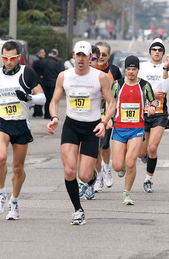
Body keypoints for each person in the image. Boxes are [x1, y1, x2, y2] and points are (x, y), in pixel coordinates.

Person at [46, 41, 116, 225]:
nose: (81, 59)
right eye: (78, 55)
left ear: (90, 57)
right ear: (74, 56)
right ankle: (78, 210)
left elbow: (111, 103)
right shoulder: (64, 76)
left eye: (85, 56)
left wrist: (104, 122)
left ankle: (92, 176)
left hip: (92, 127)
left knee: (84, 176)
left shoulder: (100, 77)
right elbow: (54, 101)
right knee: (69, 169)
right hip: (71, 126)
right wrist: (54, 117)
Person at [0, 41, 46, 220]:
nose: (8, 61)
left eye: (12, 58)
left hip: (20, 124)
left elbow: (42, 98)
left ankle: (14, 201)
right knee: (1, 157)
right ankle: (0, 193)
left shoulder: (27, 73)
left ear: (19, 57)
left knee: (18, 168)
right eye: (5, 57)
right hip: (1, 122)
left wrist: (28, 97)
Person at [110, 55, 156, 205]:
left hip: (137, 128)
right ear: (125, 69)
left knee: (131, 163)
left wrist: (152, 107)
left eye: (134, 69)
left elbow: (153, 100)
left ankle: (126, 193)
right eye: (128, 69)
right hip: (119, 128)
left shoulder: (145, 85)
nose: (131, 72)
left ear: (138, 70)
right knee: (118, 166)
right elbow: (110, 103)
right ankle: (120, 166)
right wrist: (107, 119)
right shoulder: (117, 85)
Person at [137, 38, 169, 193]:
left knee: (153, 147)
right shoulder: (142, 67)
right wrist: (150, 93)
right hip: (143, 111)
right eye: (154, 49)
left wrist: (165, 68)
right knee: (141, 152)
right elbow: (135, 85)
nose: (157, 52)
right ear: (150, 52)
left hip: (159, 112)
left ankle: (148, 179)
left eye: (160, 50)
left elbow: (166, 88)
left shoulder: (168, 69)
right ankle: (147, 158)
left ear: (163, 53)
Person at [95, 41, 122, 187]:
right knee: (95, 149)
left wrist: (111, 116)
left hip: (108, 112)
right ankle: (99, 177)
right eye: (97, 54)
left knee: (104, 145)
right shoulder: (89, 70)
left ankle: (106, 168)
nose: (100, 57)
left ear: (108, 56)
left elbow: (117, 94)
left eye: (103, 54)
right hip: (91, 112)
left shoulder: (115, 70)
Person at [78, 45, 102, 199]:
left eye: (93, 59)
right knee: (80, 152)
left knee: (95, 154)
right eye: (89, 58)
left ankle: (93, 181)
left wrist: (106, 119)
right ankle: (83, 182)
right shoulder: (77, 75)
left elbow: (111, 99)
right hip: (79, 119)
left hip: (97, 120)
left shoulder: (102, 76)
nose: (90, 61)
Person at [41, 49, 65, 120]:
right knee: (53, 100)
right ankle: (52, 114)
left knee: (47, 99)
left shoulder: (44, 62)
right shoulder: (56, 63)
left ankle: (46, 114)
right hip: (53, 83)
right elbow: (60, 72)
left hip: (45, 83)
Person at [32, 48, 46, 118]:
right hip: (39, 80)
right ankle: (38, 112)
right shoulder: (38, 62)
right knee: (40, 95)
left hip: (38, 80)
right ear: (38, 54)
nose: (44, 54)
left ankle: (37, 112)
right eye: (43, 53)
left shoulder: (37, 61)